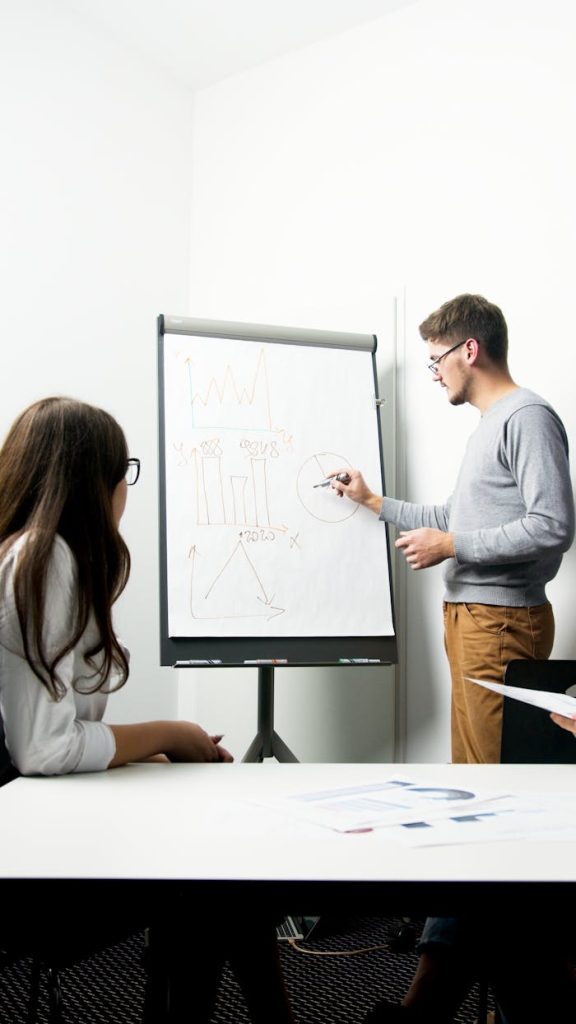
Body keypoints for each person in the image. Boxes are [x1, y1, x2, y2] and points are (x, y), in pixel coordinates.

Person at [0, 396, 295, 1024]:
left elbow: (51, 732)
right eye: (123, 471)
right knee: (213, 873)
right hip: (25, 861)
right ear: (93, 482)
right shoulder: (44, 559)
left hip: (32, 821)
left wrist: (155, 753)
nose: (125, 489)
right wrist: (171, 734)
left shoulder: (39, 555)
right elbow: (44, 749)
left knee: (220, 863)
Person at [332, 293, 575, 764]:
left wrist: (451, 546)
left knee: (493, 769)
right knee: (470, 769)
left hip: (499, 623)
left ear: (469, 350)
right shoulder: (491, 424)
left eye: (436, 360)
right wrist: (371, 500)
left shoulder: (526, 418)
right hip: (474, 621)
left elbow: (553, 526)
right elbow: (452, 518)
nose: (435, 374)